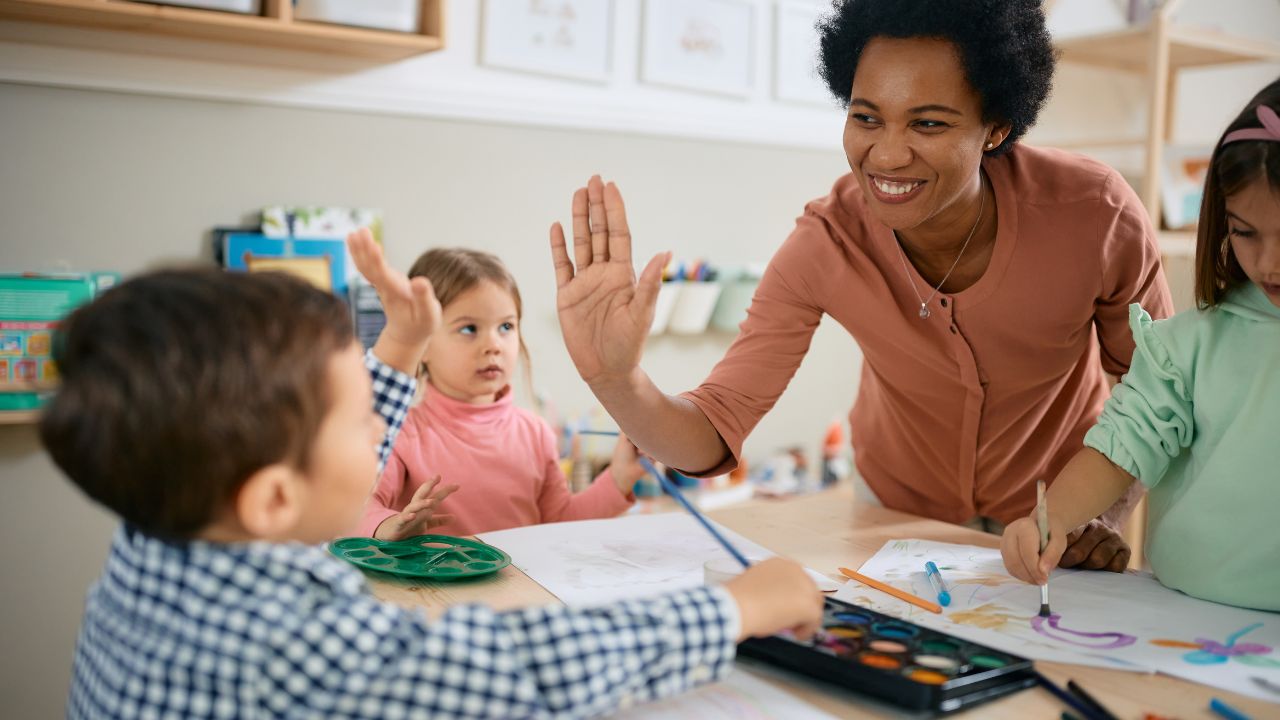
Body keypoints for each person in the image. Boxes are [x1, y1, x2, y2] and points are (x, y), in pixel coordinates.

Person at [47, 230, 824, 718]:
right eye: (362, 419)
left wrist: (391, 352)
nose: (383, 424)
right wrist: (727, 610)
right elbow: (521, 670)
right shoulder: (286, 647)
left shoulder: (158, 545)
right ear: (274, 498)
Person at [548, 0, 1173, 570]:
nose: (888, 154)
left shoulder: (1095, 215)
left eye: (928, 124)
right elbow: (712, 430)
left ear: (996, 128)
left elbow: (1157, 394)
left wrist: (1096, 517)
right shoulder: (828, 240)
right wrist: (617, 380)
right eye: (867, 117)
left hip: (1057, 508)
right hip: (896, 512)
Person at [1001, 80, 1280, 611]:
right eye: (1246, 233)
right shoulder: (1188, 346)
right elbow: (1121, 446)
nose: (1268, 263)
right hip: (1181, 614)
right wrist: (1051, 519)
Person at [357, 247, 646, 540]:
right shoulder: (400, 432)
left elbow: (559, 523)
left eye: (506, 326)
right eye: (469, 328)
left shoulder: (536, 433)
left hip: (524, 586)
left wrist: (619, 478)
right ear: (424, 343)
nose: (493, 344)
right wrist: (388, 525)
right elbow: (359, 507)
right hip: (437, 588)